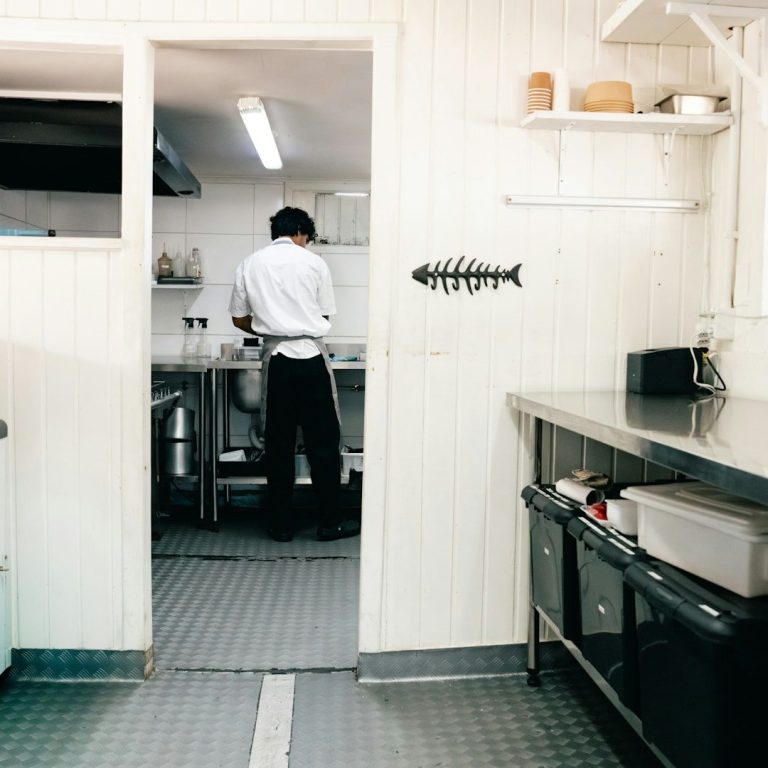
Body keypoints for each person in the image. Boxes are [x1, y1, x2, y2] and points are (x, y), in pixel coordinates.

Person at [228, 206, 361, 543]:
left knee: (278, 445)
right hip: (311, 359)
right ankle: (330, 522)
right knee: (323, 445)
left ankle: (281, 525)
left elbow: (239, 318)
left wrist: (269, 327)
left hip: (277, 361)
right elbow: (325, 315)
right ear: (301, 233)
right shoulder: (314, 263)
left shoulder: (250, 263)